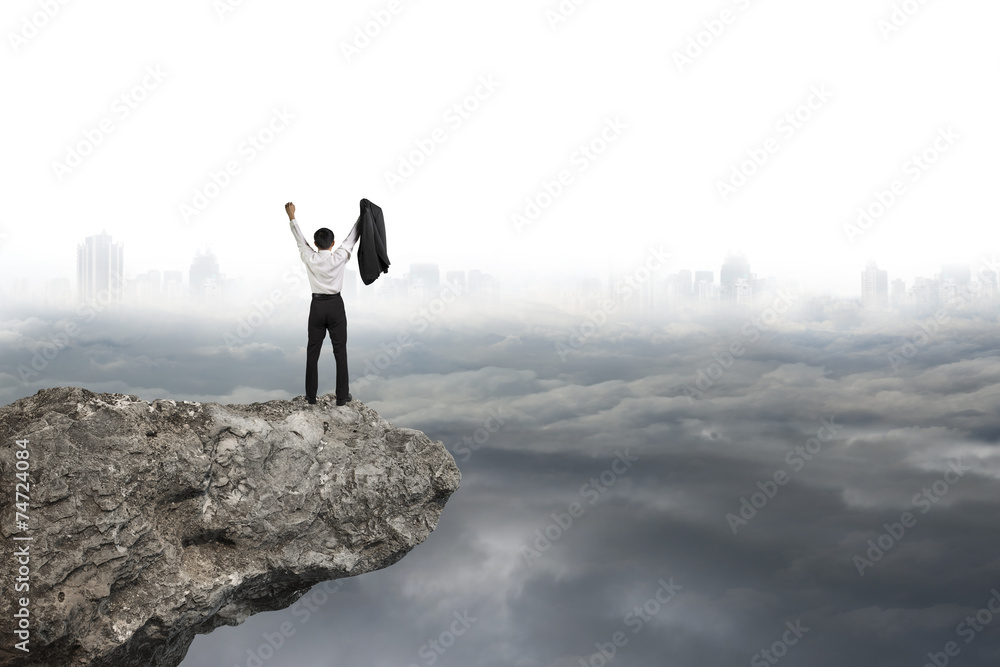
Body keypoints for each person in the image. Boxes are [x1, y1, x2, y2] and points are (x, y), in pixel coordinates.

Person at [284, 201, 359, 406]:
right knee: (340, 351)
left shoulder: (309, 256)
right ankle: (342, 397)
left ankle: (310, 397)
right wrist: (363, 217)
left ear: (315, 244)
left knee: (312, 351)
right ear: (333, 243)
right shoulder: (340, 256)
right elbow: (352, 238)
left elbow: (299, 239)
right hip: (335, 306)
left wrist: (292, 216)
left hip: (316, 307)